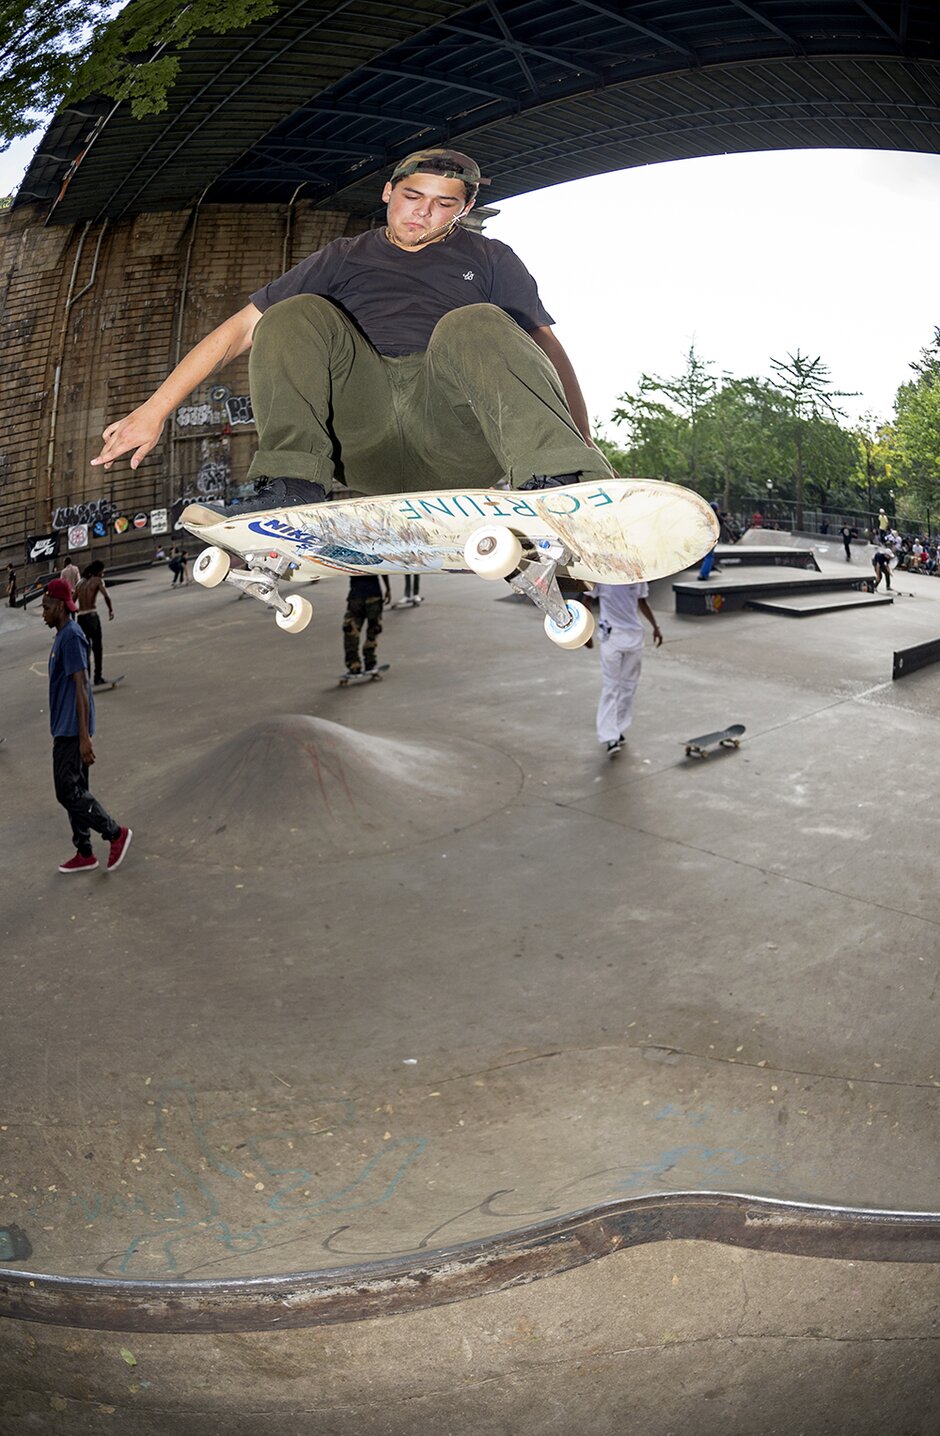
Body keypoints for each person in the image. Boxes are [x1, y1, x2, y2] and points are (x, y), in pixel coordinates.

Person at [91, 149, 611, 510]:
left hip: (453, 433)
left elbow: (544, 347)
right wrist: (154, 410)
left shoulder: (492, 258)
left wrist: (579, 443)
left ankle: (558, 482)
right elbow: (239, 330)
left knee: (475, 322)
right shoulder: (341, 256)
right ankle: (291, 479)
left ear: (466, 208)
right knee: (290, 313)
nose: (422, 213)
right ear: (387, 191)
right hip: (361, 435)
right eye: (412, 196)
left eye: (444, 204)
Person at [41, 578, 131, 874]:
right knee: (77, 790)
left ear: (59, 607)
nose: (42, 612)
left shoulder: (72, 636)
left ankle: (115, 833)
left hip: (71, 730)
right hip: (64, 728)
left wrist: (83, 738)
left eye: (45, 607)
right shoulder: (61, 636)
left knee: (67, 792)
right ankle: (85, 852)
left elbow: (82, 686)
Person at [586, 582, 662, 757]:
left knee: (628, 687)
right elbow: (587, 601)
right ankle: (608, 736)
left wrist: (656, 627)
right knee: (610, 686)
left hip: (634, 637)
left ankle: (618, 728)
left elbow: (643, 602)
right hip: (611, 638)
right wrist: (585, 632)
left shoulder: (638, 576)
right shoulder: (600, 575)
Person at [74, 560, 115, 686]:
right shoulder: (97, 580)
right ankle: (98, 677)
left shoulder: (80, 583)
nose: (103, 574)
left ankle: (86, 679)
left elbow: (72, 600)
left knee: (85, 649)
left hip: (81, 618)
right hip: (92, 616)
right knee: (97, 648)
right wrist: (110, 610)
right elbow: (106, 595)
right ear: (98, 571)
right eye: (103, 571)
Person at [343, 573, 392, 674]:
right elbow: (383, 570)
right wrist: (388, 588)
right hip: (373, 595)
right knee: (373, 631)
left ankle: (354, 664)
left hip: (356, 596)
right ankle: (370, 661)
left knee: (351, 631)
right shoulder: (374, 556)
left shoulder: (351, 556)